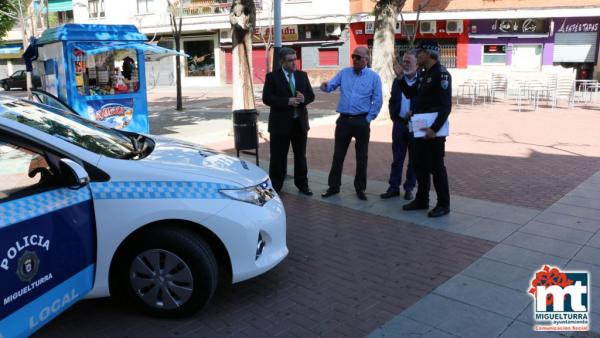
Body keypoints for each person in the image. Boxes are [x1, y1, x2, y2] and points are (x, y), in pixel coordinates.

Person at [320, 46, 382, 201]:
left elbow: (378, 100)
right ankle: (333, 187)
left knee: (362, 157)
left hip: (361, 121)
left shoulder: (374, 77)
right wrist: (325, 86)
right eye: (353, 56)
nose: (354, 59)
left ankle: (360, 188)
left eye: (358, 57)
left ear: (366, 60)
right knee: (338, 156)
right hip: (344, 121)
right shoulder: (344, 73)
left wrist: (368, 119)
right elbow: (331, 86)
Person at [399, 40, 452, 218]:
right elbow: (410, 93)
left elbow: (446, 106)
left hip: (433, 127)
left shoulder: (441, 74)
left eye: (419, 53)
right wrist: (400, 78)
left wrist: (434, 129)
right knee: (419, 164)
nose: (417, 56)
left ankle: (444, 204)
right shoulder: (423, 74)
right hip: (420, 123)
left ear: (428, 54)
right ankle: (422, 199)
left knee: (436, 167)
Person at [262, 47, 315, 195]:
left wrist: (304, 98)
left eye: (295, 59)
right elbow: (267, 98)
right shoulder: (272, 77)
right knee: (278, 157)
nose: (294, 63)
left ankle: (303, 185)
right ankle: (276, 186)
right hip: (280, 125)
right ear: (282, 62)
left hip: (299, 124)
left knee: (300, 156)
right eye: (290, 60)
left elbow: (311, 95)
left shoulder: (302, 76)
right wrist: (287, 101)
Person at [381, 50, 418, 201]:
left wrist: (414, 113)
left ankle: (409, 188)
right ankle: (393, 187)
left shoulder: (421, 80)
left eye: (409, 61)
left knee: (414, 159)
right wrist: (394, 116)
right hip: (399, 124)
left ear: (417, 64)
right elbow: (392, 100)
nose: (405, 64)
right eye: (404, 61)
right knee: (397, 158)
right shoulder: (398, 81)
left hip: (416, 125)